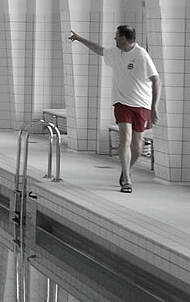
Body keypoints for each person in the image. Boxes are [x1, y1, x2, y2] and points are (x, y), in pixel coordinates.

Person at [69, 26, 161, 193]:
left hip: (142, 105)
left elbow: (156, 81)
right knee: (125, 138)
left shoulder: (141, 54)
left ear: (123, 38)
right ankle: (127, 179)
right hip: (122, 103)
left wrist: (154, 107)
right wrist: (80, 39)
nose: (114, 39)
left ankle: (127, 169)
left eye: (116, 36)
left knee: (138, 146)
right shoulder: (116, 53)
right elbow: (99, 49)